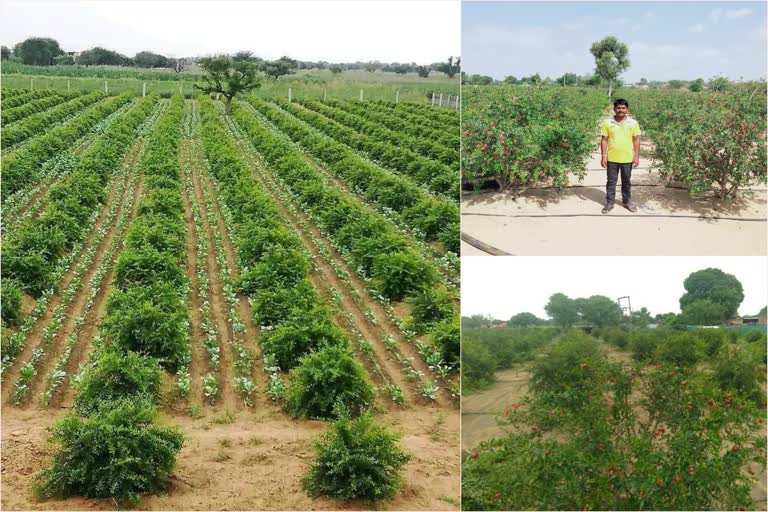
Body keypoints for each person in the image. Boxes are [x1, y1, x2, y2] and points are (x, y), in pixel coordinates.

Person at [600, 99, 640, 214]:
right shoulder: (607, 123)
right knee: (611, 181)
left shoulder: (633, 123)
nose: (621, 110)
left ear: (627, 109)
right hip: (612, 158)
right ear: (614, 109)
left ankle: (627, 201)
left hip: (627, 158)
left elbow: (636, 140)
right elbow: (604, 140)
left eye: (623, 108)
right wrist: (603, 156)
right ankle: (610, 202)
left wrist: (636, 156)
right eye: (618, 108)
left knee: (626, 181)